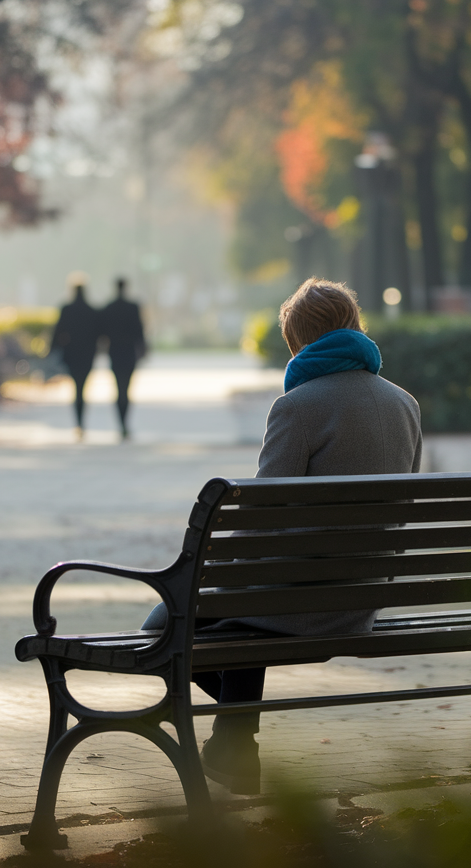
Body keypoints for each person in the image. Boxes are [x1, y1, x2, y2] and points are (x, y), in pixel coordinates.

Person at [142, 277, 422, 795]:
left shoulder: (298, 406)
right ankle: (233, 745)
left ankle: (237, 740)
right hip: (363, 596)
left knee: (163, 622)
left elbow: (261, 515)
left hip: (298, 595)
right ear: (354, 328)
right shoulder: (404, 403)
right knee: (245, 603)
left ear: (299, 342)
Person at [51, 275, 102, 432]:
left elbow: (58, 333)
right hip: (87, 355)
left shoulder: (67, 309)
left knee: (77, 387)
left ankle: (78, 422)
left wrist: (52, 351)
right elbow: (99, 334)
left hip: (72, 354)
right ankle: (81, 421)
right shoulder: (92, 311)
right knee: (82, 388)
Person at [102, 277, 146, 438]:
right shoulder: (133, 307)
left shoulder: (109, 308)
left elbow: (103, 332)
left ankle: (121, 423)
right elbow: (139, 330)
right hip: (129, 353)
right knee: (126, 389)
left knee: (119, 389)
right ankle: (124, 423)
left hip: (115, 353)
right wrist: (143, 349)